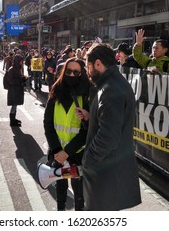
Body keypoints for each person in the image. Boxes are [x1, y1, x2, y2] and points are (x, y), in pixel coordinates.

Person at [76, 43, 141, 211]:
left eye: (87, 66)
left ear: (98, 64)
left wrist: (87, 161)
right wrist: (91, 117)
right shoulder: (112, 83)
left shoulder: (110, 89)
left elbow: (108, 137)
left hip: (106, 174)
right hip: (108, 170)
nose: (87, 71)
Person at [44, 57, 91, 211]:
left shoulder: (87, 94)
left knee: (79, 193)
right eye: (68, 71)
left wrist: (67, 152)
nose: (71, 75)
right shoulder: (56, 90)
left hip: (77, 153)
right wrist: (58, 151)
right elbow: (48, 123)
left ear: (81, 73)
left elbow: (87, 130)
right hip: (57, 153)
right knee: (60, 188)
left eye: (76, 72)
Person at [5, 54, 27, 127]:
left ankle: (14, 119)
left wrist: (23, 79)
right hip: (13, 90)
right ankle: (12, 121)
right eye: (20, 61)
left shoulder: (18, 68)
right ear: (17, 61)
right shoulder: (12, 69)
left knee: (15, 105)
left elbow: (18, 78)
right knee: (14, 105)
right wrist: (20, 81)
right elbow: (10, 80)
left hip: (17, 90)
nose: (21, 63)